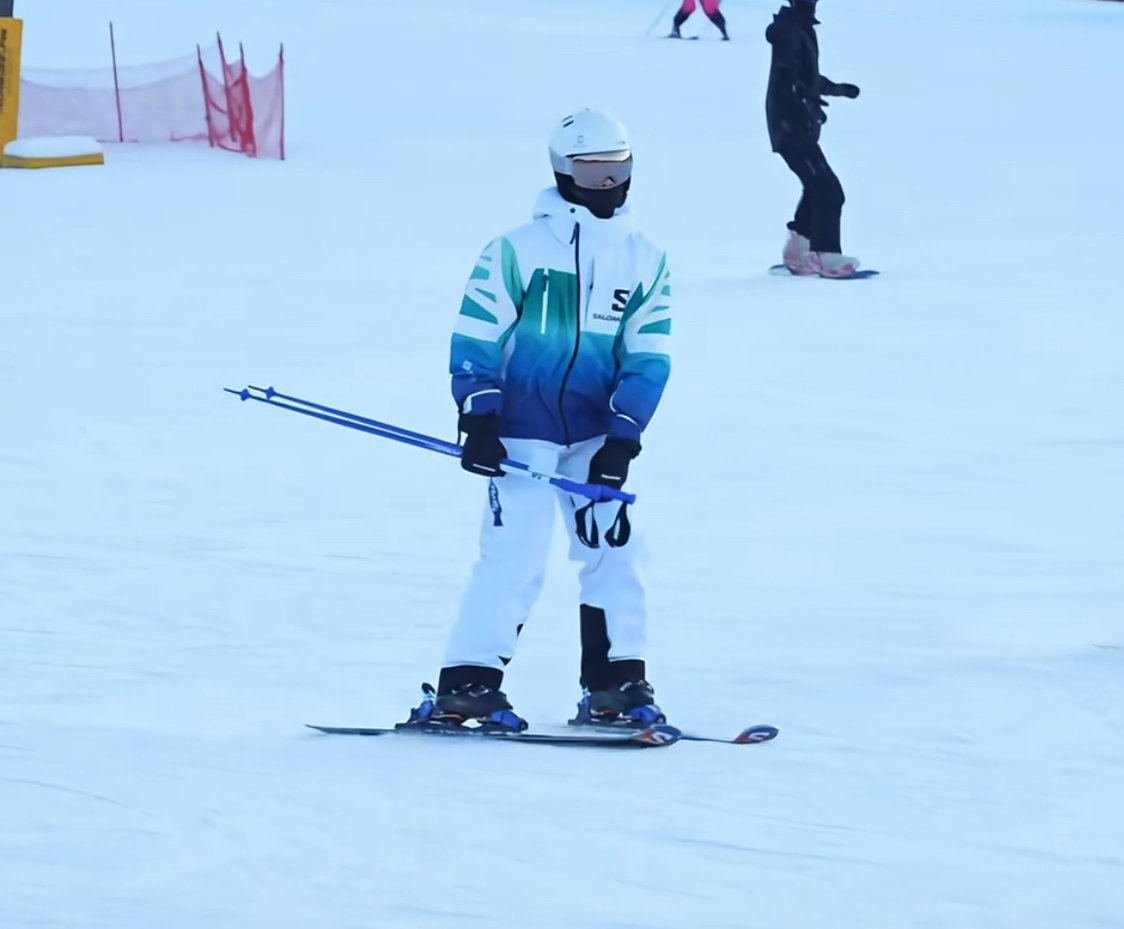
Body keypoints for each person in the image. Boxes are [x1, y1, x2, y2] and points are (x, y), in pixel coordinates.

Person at [407, 108, 673, 733]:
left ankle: (615, 685)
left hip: (595, 434)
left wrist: (623, 437)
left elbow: (648, 355)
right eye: (591, 171)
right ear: (562, 171)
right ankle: (467, 685)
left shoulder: (646, 260)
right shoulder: (515, 251)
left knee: (617, 553)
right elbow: (476, 334)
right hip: (521, 432)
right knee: (516, 555)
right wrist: (479, 417)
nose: (607, 184)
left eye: (617, 170)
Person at [766, 0, 861, 277]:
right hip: (789, 127)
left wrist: (837, 89)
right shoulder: (790, 30)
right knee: (829, 190)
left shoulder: (801, 29)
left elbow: (804, 78)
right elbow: (790, 79)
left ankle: (797, 250)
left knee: (816, 186)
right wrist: (804, 104)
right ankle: (827, 255)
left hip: (797, 126)